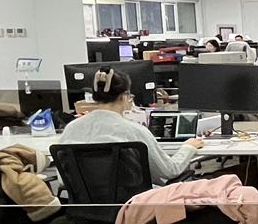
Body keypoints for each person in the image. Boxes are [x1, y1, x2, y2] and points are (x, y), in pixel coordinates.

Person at [56, 68, 205, 184]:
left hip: (85, 208)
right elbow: (169, 171)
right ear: (124, 97)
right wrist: (189, 147)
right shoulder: (134, 131)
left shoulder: (71, 129)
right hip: (132, 207)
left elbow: (63, 179)